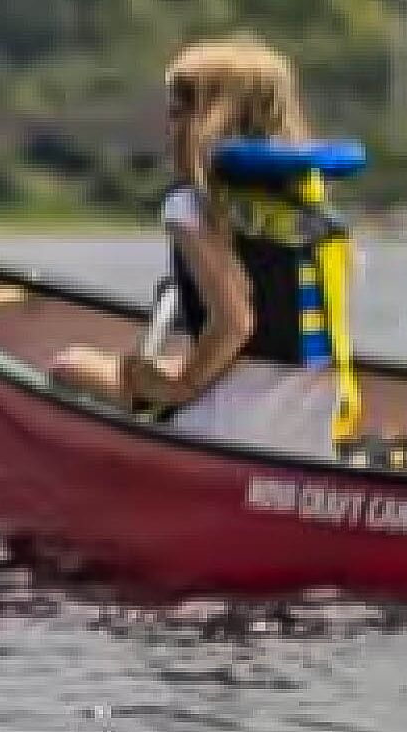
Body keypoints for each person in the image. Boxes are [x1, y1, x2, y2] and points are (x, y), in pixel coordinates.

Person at [46, 34, 361, 456]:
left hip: (227, 430)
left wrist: (180, 385)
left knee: (69, 368)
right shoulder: (311, 208)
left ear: (209, 122)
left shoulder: (190, 205)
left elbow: (236, 322)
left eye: (177, 114)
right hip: (310, 437)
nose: (168, 128)